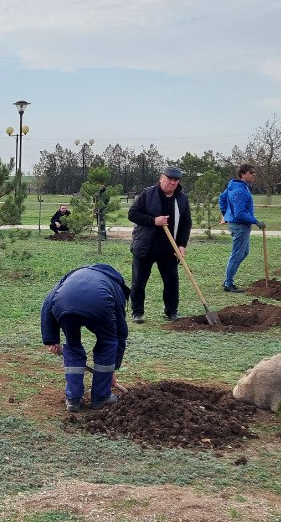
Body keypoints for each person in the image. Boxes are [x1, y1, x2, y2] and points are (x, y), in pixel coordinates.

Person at [41, 264, 129, 412]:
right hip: (99, 303)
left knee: (72, 345)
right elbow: (120, 333)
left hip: (64, 303)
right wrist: (113, 367)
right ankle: (101, 398)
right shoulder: (115, 284)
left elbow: (48, 302)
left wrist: (51, 338)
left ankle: (73, 399)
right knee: (107, 343)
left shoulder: (71, 276)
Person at [128, 166, 192, 323]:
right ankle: (137, 312)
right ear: (161, 178)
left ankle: (172, 311)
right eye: (169, 179)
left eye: (175, 180)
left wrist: (182, 245)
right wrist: (154, 221)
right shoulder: (147, 194)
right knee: (139, 281)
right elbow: (132, 214)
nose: (172, 183)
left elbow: (186, 223)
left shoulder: (182, 199)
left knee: (172, 281)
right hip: (145, 247)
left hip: (169, 249)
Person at [218, 164, 266, 293]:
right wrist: (256, 221)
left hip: (238, 225)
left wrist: (226, 214)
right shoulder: (241, 191)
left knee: (244, 253)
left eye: (255, 172)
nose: (254, 174)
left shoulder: (234, 186)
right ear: (243, 174)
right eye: (251, 172)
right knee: (237, 255)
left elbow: (222, 199)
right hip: (240, 226)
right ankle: (228, 284)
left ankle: (228, 279)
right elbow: (239, 213)